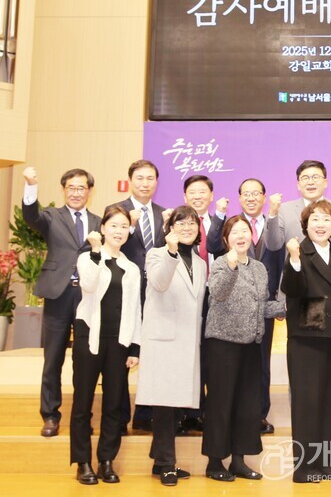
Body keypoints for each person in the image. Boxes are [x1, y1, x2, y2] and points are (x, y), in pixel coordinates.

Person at [203, 215, 286, 481]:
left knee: (247, 405)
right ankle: (215, 462)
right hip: (222, 344)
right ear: (226, 239)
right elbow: (218, 293)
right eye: (234, 232)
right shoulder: (219, 264)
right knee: (220, 403)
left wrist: (288, 307)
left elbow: (261, 305)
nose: (240, 235)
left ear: (251, 236)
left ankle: (238, 460)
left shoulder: (260, 268)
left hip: (251, 344)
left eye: (244, 231)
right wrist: (230, 265)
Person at [21, 166, 100, 438]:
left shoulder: (99, 222)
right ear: (64, 190)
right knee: (52, 359)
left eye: (81, 188)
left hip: (88, 297)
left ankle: (81, 417)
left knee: (85, 361)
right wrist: (31, 185)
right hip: (58, 294)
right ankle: (50, 416)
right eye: (71, 188)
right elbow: (30, 216)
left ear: (90, 191)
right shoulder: (52, 216)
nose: (76, 192)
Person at [280, 200, 331, 483]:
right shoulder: (298, 253)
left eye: (326, 220)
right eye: (315, 220)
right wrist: (295, 261)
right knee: (306, 403)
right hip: (305, 337)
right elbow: (292, 288)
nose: (321, 225)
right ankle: (305, 468)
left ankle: (329, 466)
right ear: (305, 225)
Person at [70, 205, 142, 485]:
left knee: (113, 405)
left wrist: (135, 348)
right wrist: (97, 251)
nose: (119, 231)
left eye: (124, 226)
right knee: (83, 403)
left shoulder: (131, 268)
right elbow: (88, 285)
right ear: (102, 228)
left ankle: (106, 460)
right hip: (89, 338)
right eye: (113, 226)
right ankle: (83, 462)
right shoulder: (88, 258)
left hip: (119, 342)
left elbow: (136, 309)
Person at [208, 179, 285, 435]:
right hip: (229, 313)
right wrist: (219, 215)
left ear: (263, 197)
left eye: (256, 194)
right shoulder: (232, 228)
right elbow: (211, 246)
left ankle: (258, 414)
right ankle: (232, 415)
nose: (251, 198)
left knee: (260, 363)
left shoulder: (276, 222)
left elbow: (280, 260)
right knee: (231, 369)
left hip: (264, 304)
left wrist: (285, 303)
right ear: (239, 198)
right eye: (246, 194)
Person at [137, 206, 207, 486]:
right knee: (165, 405)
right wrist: (170, 252)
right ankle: (166, 463)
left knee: (177, 403)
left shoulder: (201, 263)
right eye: (181, 223)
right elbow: (160, 282)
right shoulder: (157, 254)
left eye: (192, 223)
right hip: (164, 341)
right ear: (170, 228)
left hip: (189, 340)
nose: (187, 227)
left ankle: (159, 458)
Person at [111, 159, 170, 434]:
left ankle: (145, 415)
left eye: (150, 179)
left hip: (158, 294)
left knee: (154, 354)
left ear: (156, 182)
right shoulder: (117, 212)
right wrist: (130, 227)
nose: (145, 183)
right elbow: (113, 245)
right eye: (140, 178)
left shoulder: (164, 214)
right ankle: (119, 415)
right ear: (130, 180)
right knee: (123, 354)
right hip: (126, 292)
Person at [179, 174, 224, 433]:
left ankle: (205, 411)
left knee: (208, 356)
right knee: (187, 355)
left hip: (212, 299)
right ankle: (187, 412)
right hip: (183, 299)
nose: (197, 196)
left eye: (202, 192)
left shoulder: (220, 224)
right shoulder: (175, 225)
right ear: (185, 197)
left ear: (211, 196)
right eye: (192, 193)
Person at [265, 159, 331, 261]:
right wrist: (272, 214)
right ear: (298, 185)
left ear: (326, 183)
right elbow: (273, 245)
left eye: (315, 177)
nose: (310, 182)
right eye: (305, 178)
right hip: (295, 274)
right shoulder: (283, 210)